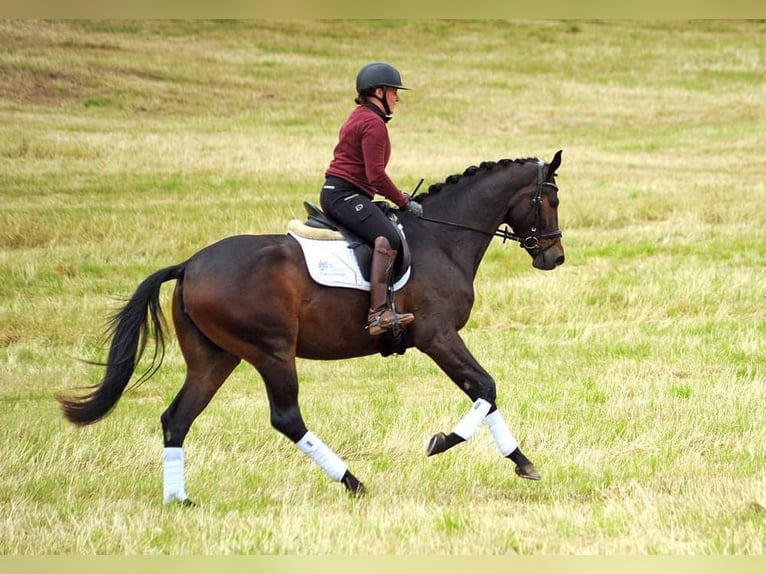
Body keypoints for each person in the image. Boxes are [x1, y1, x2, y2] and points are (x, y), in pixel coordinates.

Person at [320, 61, 423, 336]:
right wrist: (403, 201)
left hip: (339, 193)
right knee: (388, 238)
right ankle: (378, 313)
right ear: (379, 91)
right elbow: (375, 174)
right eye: (393, 92)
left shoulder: (358, 116)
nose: (397, 98)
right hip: (345, 195)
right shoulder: (373, 124)